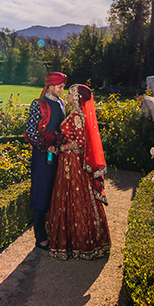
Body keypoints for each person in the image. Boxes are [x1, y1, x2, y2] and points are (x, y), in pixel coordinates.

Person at [45, 83, 111, 260]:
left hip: (72, 162)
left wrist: (60, 148)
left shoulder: (76, 116)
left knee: (75, 197)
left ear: (77, 98)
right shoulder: (76, 115)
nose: (67, 96)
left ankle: (79, 243)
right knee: (75, 197)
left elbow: (80, 143)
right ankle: (81, 242)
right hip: (70, 161)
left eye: (70, 94)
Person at [24, 71, 68, 250]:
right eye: (60, 87)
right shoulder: (39, 104)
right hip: (43, 156)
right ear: (50, 85)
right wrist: (46, 144)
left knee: (54, 193)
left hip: (58, 154)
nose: (62, 90)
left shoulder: (61, 102)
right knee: (41, 194)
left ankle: (51, 230)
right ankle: (40, 236)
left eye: (63, 87)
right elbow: (29, 130)